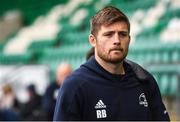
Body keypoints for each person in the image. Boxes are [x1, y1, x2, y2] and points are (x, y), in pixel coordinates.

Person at [53, 6, 170, 121]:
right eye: (109, 34)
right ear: (93, 40)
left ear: (129, 40)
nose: (117, 41)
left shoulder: (144, 80)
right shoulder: (75, 85)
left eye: (122, 34)